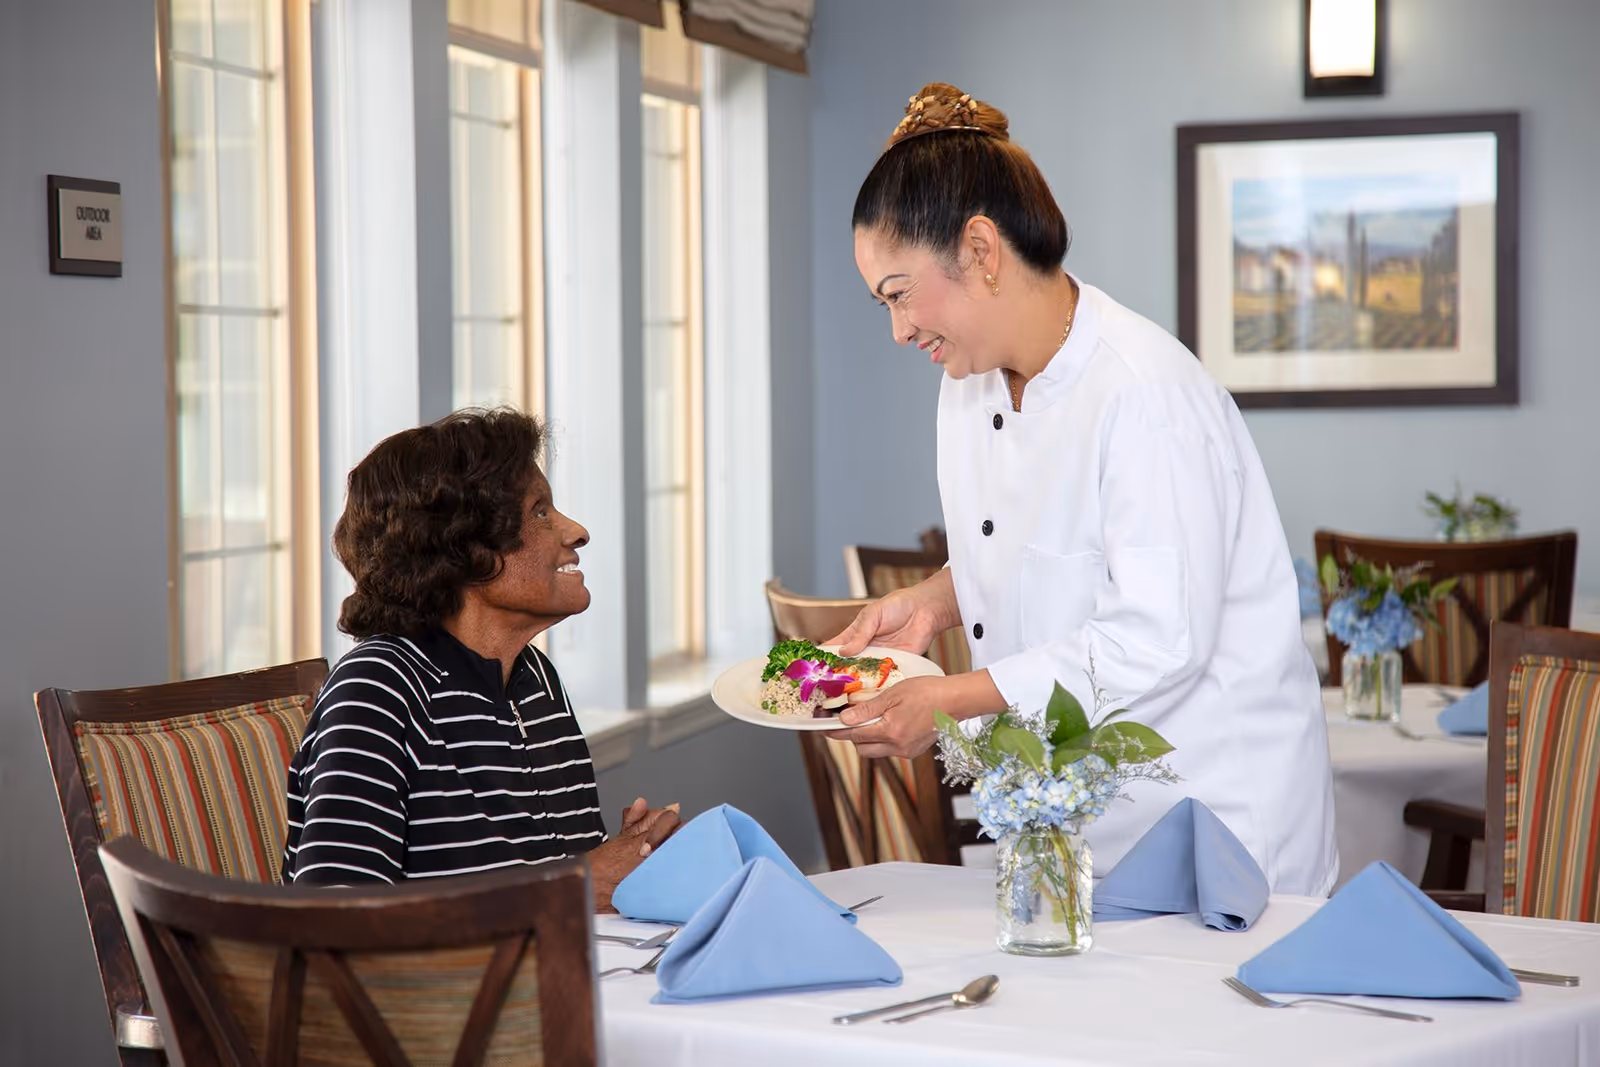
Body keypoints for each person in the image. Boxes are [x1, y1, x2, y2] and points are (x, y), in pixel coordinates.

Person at [830, 83, 1337, 896]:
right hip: (1066, 814)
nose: (897, 330)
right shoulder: (966, 387)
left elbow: (1156, 635)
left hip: (1213, 819)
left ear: (982, 250)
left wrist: (950, 697)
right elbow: (1037, 550)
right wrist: (931, 603)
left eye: (898, 293)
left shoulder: (1143, 390)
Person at [282, 409, 679, 908]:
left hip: (547, 977)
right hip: (431, 988)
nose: (576, 532)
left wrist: (625, 860)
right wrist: (571, 886)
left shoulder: (535, 680)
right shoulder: (377, 688)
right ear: (465, 548)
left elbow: (545, 886)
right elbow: (335, 916)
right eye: (540, 512)